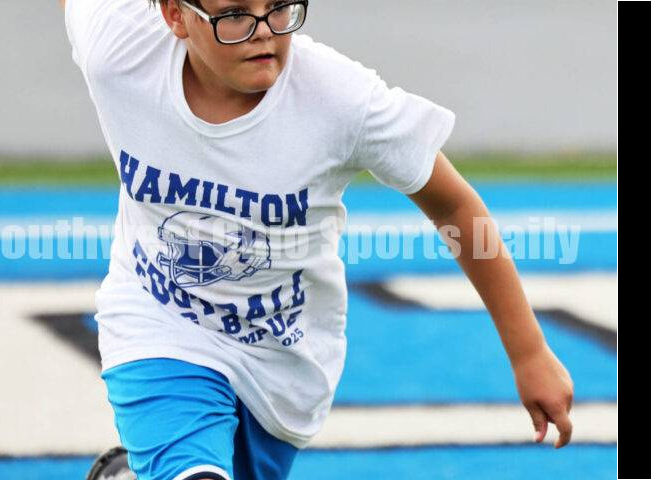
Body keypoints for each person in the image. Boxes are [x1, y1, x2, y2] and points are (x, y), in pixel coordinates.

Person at [61, 1, 575, 479]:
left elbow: (455, 207)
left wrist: (528, 352)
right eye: (235, 14)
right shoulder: (119, 47)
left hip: (282, 359)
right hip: (157, 322)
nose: (264, 32)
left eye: (279, 8)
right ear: (175, 14)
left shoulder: (339, 99)